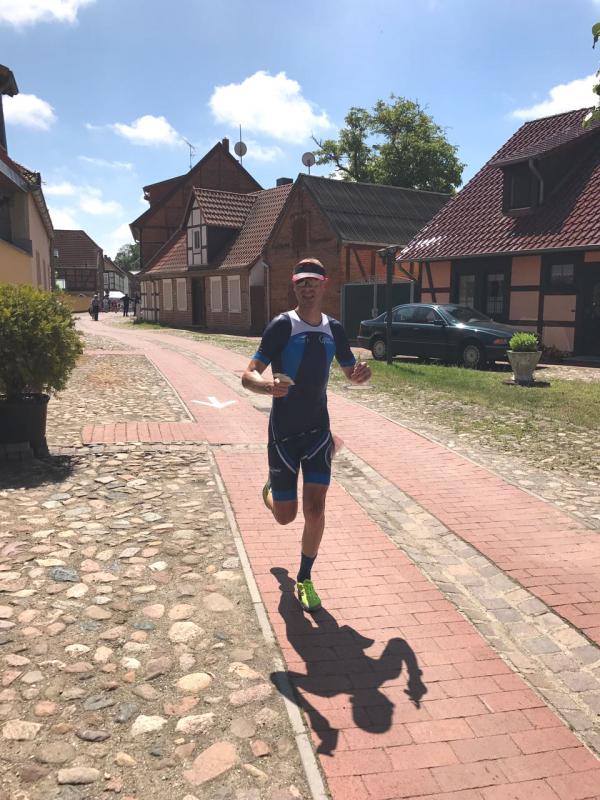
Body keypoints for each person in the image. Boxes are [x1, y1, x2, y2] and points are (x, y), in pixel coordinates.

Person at [241, 258, 371, 612]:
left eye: (313, 281)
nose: (307, 287)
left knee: (315, 509)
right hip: (283, 434)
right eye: (301, 282)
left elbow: (350, 371)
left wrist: (360, 375)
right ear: (294, 286)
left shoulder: (335, 329)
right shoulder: (282, 326)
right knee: (286, 516)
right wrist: (266, 387)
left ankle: (305, 578)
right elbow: (248, 374)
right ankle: (271, 491)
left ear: (324, 284)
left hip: (317, 432)